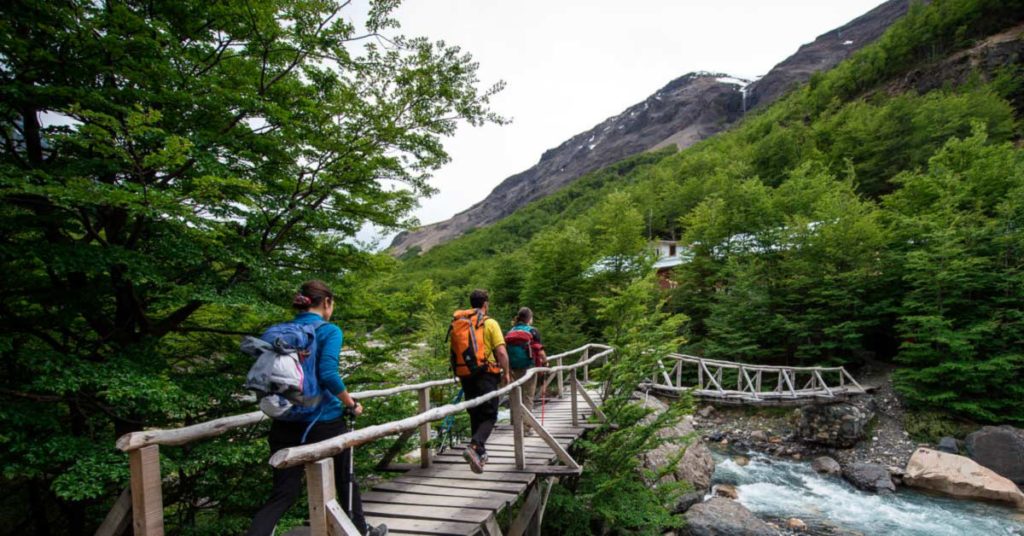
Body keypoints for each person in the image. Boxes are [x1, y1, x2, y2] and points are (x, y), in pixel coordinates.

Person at [246, 281, 387, 536]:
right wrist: (351, 403)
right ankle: (360, 530)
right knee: (345, 479)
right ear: (326, 303)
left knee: (283, 494)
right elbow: (329, 374)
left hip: (286, 419)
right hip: (324, 421)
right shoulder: (329, 331)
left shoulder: (285, 331)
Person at [458, 289, 510, 473]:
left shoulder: (461, 323)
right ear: (485, 304)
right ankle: (474, 447)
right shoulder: (489, 323)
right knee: (489, 415)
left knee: (475, 413)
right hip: (486, 374)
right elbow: (501, 352)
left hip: (465, 375)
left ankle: (479, 454)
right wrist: (506, 372)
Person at [505, 307, 547, 434]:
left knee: (514, 396)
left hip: (513, 368)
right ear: (529, 318)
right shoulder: (533, 331)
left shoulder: (510, 331)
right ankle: (526, 428)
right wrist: (545, 362)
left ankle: (514, 424)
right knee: (527, 397)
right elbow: (540, 351)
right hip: (529, 368)